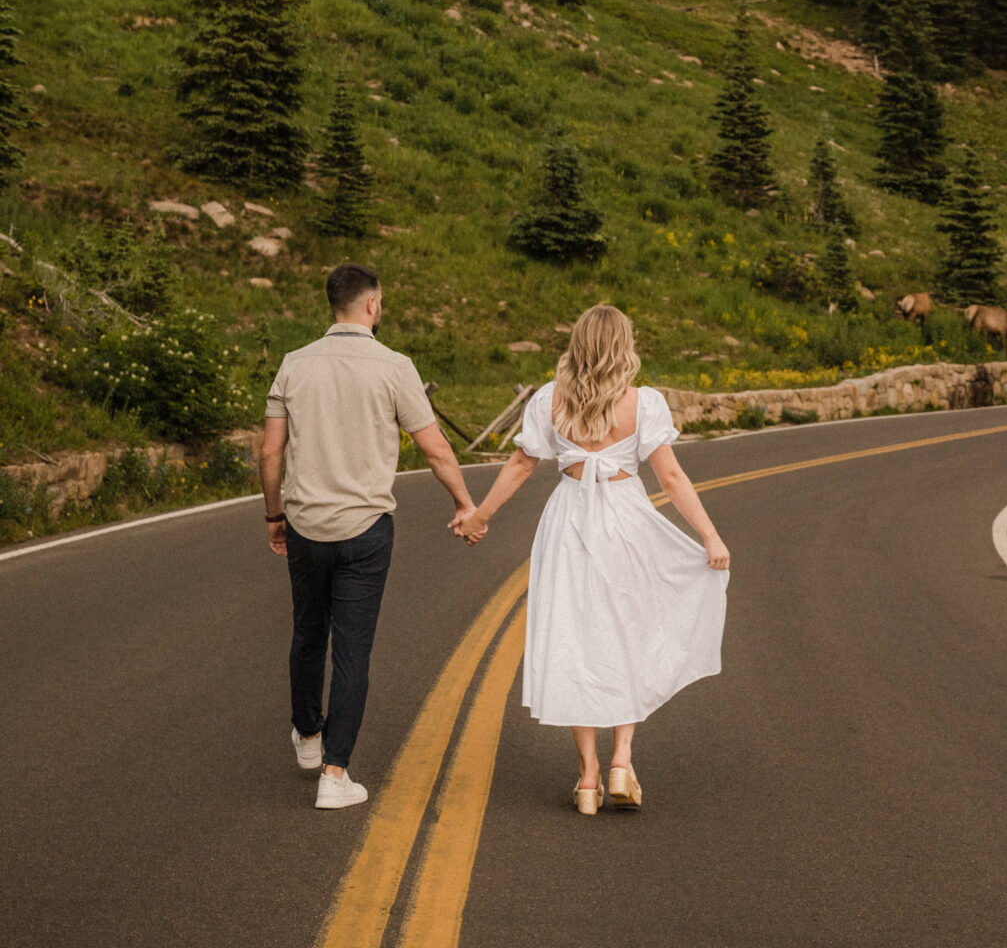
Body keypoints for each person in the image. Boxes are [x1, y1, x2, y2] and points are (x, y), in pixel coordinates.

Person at [454, 303, 729, 814]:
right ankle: (622, 760)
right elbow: (670, 478)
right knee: (630, 630)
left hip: (568, 524)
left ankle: (587, 778)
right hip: (626, 521)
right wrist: (710, 536)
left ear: (577, 343)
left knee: (574, 637)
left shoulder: (548, 400)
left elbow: (520, 464)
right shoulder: (643, 404)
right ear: (623, 347)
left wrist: (480, 516)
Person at [259, 262, 480, 809]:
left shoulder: (294, 365)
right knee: (353, 649)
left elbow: (270, 452)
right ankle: (335, 776)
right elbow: (435, 446)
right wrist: (464, 503)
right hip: (366, 529)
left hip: (307, 525)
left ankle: (308, 735)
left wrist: (273, 516)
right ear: (372, 306)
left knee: (308, 633)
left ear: (333, 305)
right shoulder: (395, 367)